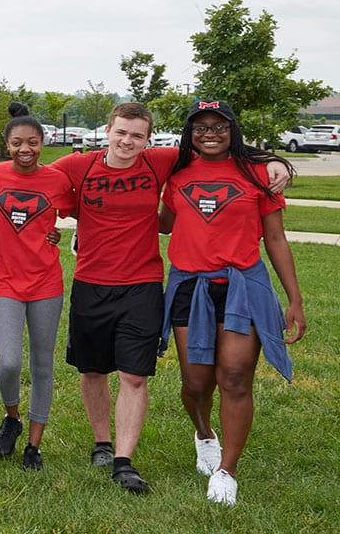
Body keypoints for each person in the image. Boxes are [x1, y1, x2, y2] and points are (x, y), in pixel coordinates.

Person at [52, 102, 293, 493]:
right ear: (106, 130)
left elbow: (224, 150)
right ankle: (111, 441)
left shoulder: (162, 161)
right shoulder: (77, 166)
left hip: (149, 281)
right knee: (105, 371)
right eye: (121, 132)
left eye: (137, 135)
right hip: (98, 281)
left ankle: (132, 461)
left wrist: (276, 161)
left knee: (144, 374)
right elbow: (36, 184)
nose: (127, 141)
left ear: (149, 140)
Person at [158, 99, 305, 505]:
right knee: (195, 383)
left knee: (235, 377)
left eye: (218, 126)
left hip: (243, 285)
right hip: (190, 286)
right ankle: (205, 434)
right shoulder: (177, 173)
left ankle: (227, 470)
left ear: (232, 130)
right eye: (200, 126)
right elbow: (164, 223)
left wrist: (294, 299)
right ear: (190, 133)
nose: (210, 133)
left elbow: (275, 238)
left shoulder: (258, 174)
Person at [0, 104, 74, 470]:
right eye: (17, 143)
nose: (25, 149)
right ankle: (12, 418)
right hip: (5, 281)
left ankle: (34, 445)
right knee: (9, 362)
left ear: (43, 143)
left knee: (43, 365)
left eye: (33, 142)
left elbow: (80, 211)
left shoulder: (57, 181)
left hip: (47, 282)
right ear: (7, 144)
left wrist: (56, 234)